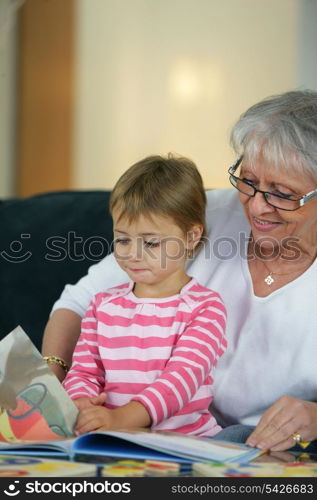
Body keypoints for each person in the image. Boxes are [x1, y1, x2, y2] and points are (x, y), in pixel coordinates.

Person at [42, 89, 317, 452]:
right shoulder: (204, 217)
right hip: (140, 431)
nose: (257, 207)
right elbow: (79, 304)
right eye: (248, 181)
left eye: (281, 193)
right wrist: (55, 389)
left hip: (253, 443)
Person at [61, 154, 227, 437]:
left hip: (188, 443)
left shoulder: (205, 308)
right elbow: (84, 372)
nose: (132, 254)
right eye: (123, 239)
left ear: (190, 237)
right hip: (113, 439)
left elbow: (179, 382)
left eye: (150, 242)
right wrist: (81, 403)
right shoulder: (103, 306)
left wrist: (119, 419)